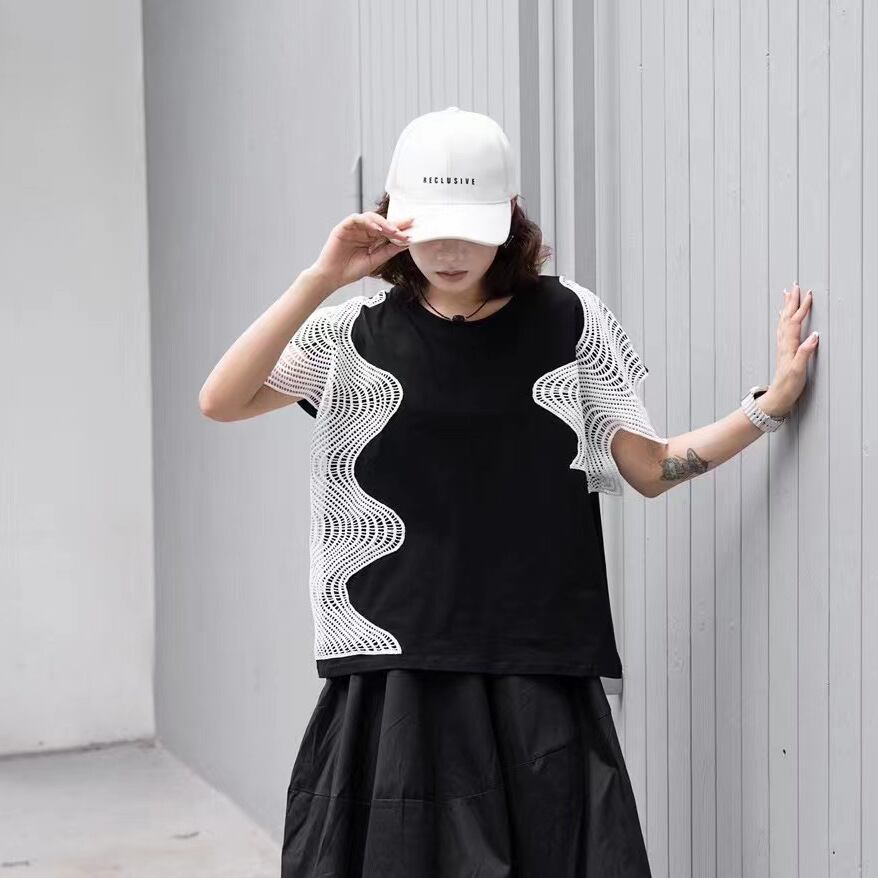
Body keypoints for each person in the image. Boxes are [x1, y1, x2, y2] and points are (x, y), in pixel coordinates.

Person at [199, 107, 818, 877]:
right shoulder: (353, 335)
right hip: (396, 671)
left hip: (536, 666)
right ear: (392, 222)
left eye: (471, 229)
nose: (450, 251)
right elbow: (222, 399)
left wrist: (767, 409)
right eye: (429, 229)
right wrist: (320, 280)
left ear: (509, 220)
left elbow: (650, 469)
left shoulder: (569, 321)